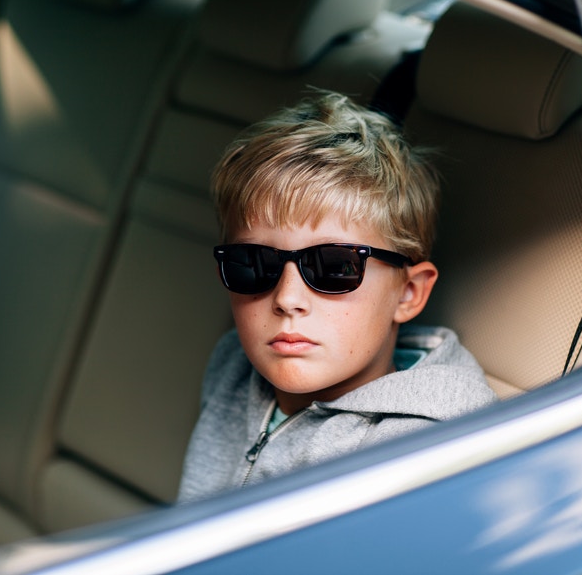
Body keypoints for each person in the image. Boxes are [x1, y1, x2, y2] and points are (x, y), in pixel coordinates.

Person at [177, 91, 496, 503]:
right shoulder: (231, 367)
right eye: (254, 262)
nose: (287, 298)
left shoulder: (420, 448)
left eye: (335, 267)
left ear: (408, 293)